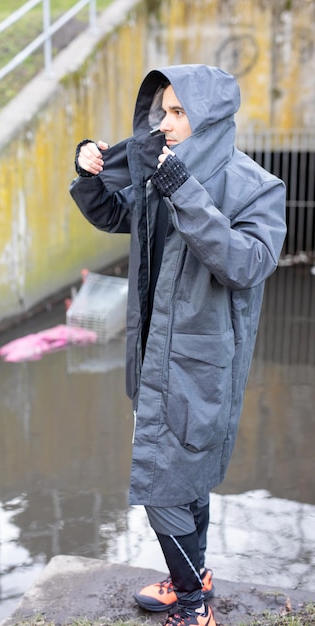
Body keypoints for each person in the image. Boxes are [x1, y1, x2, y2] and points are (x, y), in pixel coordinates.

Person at [69, 64, 286, 626]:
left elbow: (248, 264)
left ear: (208, 117)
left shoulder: (255, 186)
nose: (163, 123)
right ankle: (197, 575)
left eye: (177, 111)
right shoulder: (157, 172)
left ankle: (193, 607)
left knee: (164, 483)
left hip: (202, 363)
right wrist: (91, 174)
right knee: (184, 476)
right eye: (161, 111)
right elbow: (118, 215)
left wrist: (182, 192)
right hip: (153, 356)